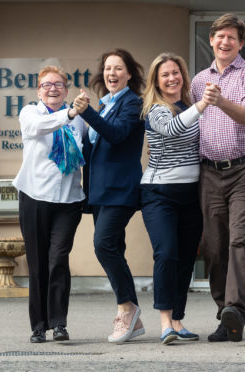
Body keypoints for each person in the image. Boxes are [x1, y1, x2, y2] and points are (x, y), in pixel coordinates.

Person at [191, 13, 245, 342]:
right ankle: (226, 315)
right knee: (213, 246)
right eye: (220, 36)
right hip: (209, 172)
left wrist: (220, 99)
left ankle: (235, 308)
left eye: (232, 38)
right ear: (211, 39)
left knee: (240, 237)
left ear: (240, 43)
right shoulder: (197, 81)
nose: (225, 42)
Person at [72, 48, 146, 343]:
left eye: (118, 68)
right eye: (107, 68)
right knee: (114, 248)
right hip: (100, 192)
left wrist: (86, 111)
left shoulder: (132, 103)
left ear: (129, 74)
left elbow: (116, 135)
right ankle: (135, 321)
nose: (111, 73)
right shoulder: (103, 104)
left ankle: (126, 309)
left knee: (103, 245)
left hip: (121, 189)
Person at [13, 66, 87, 343]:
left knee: (58, 259)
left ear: (66, 90)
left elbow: (86, 152)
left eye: (58, 84)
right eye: (46, 85)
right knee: (38, 263)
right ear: (38, 91)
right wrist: (69, 113)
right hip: (34, 196)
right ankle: (38, 326)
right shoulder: (30, 113)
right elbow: (37, 128)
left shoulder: (79, 121)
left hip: (68, 200)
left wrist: (78, 114)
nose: (52, 88)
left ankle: (58, 323)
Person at [140, 52, 207, 345]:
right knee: (166, 253)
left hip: (191, 193)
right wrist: (204, 105)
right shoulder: (156, 109)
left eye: (176, 72)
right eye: (165, 74)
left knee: (184, 260)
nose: (171, 78)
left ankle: (178, 320)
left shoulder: (189, 105)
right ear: (156, 80)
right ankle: (165, 322)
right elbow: (172, 128)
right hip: (159, 194)